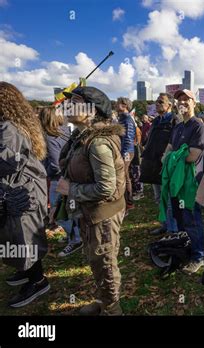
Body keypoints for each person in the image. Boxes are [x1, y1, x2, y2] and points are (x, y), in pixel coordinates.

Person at [57, 86, 126, 315]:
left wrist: (71, 189)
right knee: (98, 262)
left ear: (91, 111)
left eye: (74, 101)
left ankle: (112, 310)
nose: (67, 105)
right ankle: (104, 301)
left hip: (102, 216)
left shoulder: (97, 143)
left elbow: (106, 188)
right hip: (91, 213)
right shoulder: (83, 135)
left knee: (105, 264)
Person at [0, 81, 50, 308]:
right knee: (17, 237)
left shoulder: (10, 128)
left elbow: (7, 162)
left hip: (23, 192)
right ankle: (27, 271)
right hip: (21, 189)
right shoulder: (12, 125)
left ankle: (38, 281)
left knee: (25, 238)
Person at [161, 89, 204, 274]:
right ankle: (186, 248)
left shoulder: (199, 126)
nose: (182, 103)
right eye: (179, 100)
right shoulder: (179, 127)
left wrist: (171, 157)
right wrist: (173, 155)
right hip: (176, 180)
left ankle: (199, 256)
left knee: (192, 218)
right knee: (179, 217)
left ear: (194, 103)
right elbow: (169, 149)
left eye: (186, 100)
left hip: (190, 182)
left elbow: (192, 156)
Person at [140, 93, 182, 236]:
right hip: (152, 165)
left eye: (160, 102)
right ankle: (165, 225)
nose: (157, 104)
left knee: (169, 200)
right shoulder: (157, 120)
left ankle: (173, 230)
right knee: (158, 198)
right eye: (156, 102)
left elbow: (177, 144)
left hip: (167, 166)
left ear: (170, 105)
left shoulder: (175, 120)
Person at [39, 106, 71, 227]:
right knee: (67, 209)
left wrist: (46, 173)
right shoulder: (66, 132)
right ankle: (74, 237)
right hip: (68, 175)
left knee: (58, 211)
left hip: (57, 179)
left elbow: (55, 164)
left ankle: (75, 239)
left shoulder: (50, 137)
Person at [116, 97, 136, 212]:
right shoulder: (122, 118)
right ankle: (126, 201)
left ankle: (128, 203)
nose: (116, 105)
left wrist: (123, 155)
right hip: (124, 151)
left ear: (124, 106)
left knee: (123, 175)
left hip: (127, 151)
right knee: (124, 175)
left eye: (118, 103)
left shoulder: (127, 119)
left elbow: (128, 139)